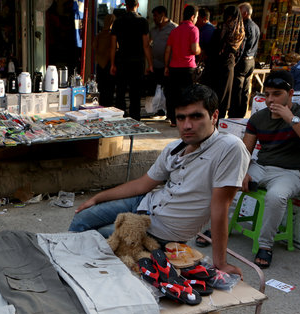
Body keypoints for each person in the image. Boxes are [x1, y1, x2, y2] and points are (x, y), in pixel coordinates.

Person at [69, 84, 250, 275]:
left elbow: (220, 207)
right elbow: (144, 184)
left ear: (214, 117)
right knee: (82, 218)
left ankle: (74, 273)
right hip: (143, 203)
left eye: (196, 116)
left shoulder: (229, 148)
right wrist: (98, 198)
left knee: (97, 238)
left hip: (163, 232)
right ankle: (67, 266)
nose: (187, 125)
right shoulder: (175, 147)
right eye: (181, 118)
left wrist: (220, 263)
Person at [241, 71, 300, 268]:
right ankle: (217, 229)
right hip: (261, 167)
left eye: (277, 94)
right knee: (225, 180)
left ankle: (265, 246)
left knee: (276, 196)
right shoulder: (258, 119)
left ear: (290, 93)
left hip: (290, 172)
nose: (270, 100)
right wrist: (241, 172)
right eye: (267, 94)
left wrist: (292, 119)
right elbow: (244, 151)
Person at [109, 0, 153, 120]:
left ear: (126, 6)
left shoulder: (118, 21)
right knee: (135, 93)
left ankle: (120, 117)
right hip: (137, 62)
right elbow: (146, 45)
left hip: (122, 60)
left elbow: (113, 45)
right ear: (137, 5)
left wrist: (112, 64)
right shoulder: (143, 21)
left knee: (120, 93)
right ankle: (135, 119)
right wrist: (150, 64)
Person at [202, 5, 244, 119]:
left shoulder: (222, 29)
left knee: (217, 95)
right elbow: (240, 53)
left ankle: (215, 119)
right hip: (226, 65)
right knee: (222, 96)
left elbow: (212, 47)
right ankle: (217, 119)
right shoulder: (240, 32)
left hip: (218, 66)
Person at [164, 4, 200, 127]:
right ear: (192, 17)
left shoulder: (174, 30)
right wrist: (200, 50)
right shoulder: (193, 29)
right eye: (196, 17)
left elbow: (168, 50)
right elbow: (194, 49)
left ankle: (174, 120)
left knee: (173, 95)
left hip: (174, 67)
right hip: (188, 67)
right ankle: (187, 120)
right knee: (188, 95)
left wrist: (166, 66)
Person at [229, 2, 260, 118]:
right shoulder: (256, 27)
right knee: (245, 89)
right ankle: (241, 113)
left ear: (245, 13)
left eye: (240, 12)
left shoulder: (245, 26)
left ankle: (234, 114)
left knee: (238, 88)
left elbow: (242, 47)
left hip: (244, 60)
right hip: (251, 60)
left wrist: (236, 60)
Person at [150, 6, 177, 117]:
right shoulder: (153, 30)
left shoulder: (174, 28)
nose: (154, 18)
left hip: (169, 65)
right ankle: (159, 110)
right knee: (157, 89)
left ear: (163, 15)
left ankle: (170, 113)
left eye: (156, 15)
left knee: (169, 90)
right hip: (156, 64)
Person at [93, 14, 116, 107]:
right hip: (110, 64)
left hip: (100, 65)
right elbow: (115, 48)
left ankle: (102, 106)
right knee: (110, 88)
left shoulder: (99, 35)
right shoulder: (113, 36)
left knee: (101, 88)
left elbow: (94, 46)